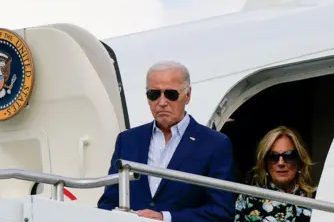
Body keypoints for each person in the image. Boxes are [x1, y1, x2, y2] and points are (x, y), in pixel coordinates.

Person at [97, 61, 235, 222]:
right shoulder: (128, 140)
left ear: (188, 95)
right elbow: (107, 202)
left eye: (171, 94)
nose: (162, 102)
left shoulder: (215, 144)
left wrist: (166, 218)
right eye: (154, 94)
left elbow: (221, 211)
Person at [234, 126, 317, 222]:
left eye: (289, 156)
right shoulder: (248, 199)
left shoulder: (319, 197)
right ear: (265, 163)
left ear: (299, 161)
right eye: (273, 157)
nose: (281, 163)